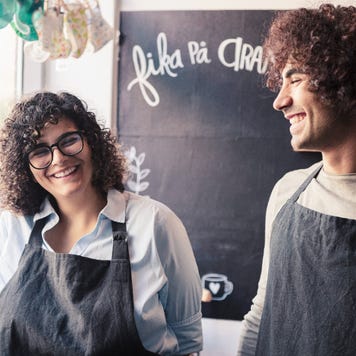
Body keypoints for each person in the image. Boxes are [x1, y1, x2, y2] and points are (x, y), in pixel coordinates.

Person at [0, 91, 203, 355]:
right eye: (39, 151)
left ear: (92, 142)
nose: (59, 158)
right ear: (25, 166)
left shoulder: (155, 223)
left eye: (69, 140)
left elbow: (187, 343)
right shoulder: (12, 228)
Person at [237, 4, 356, 355]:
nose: (279, 101)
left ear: (344, 80)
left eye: (297, 79)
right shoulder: (287, 191)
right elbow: (262, 313)